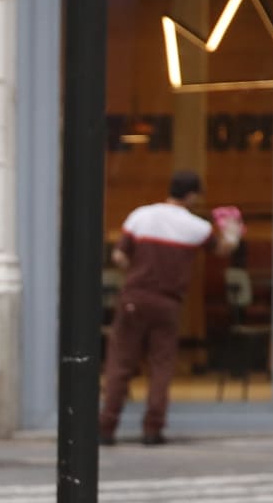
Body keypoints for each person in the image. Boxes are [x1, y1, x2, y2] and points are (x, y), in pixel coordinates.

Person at [100, 169, 238, 446]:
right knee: (161, 367)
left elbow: (118, 255)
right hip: (168, 303)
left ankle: (106, 428)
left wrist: (137, 270)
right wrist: (232, 232)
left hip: (134, 298)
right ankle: (152, 430)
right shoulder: (196, 227)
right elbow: (222, 249)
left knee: (120, 364)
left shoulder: (141, 215)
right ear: (192, 195)